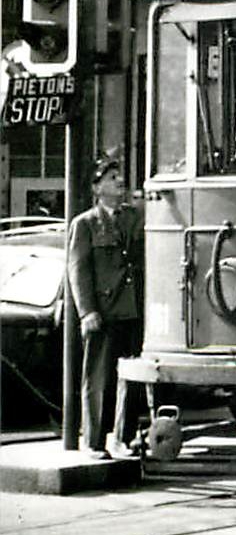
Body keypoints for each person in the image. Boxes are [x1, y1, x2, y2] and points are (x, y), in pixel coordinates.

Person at [66, 154, 146, 458]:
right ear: (97, 188)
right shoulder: (85, 224)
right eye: (112, 178)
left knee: (131, 378)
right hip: (105, 312)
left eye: (119, 176)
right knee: (99, 378)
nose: (120, 181)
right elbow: (78, 270)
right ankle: (95, 441)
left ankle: (122, 438)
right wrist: (87, 312)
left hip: (132, 310)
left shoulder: (132, 217)